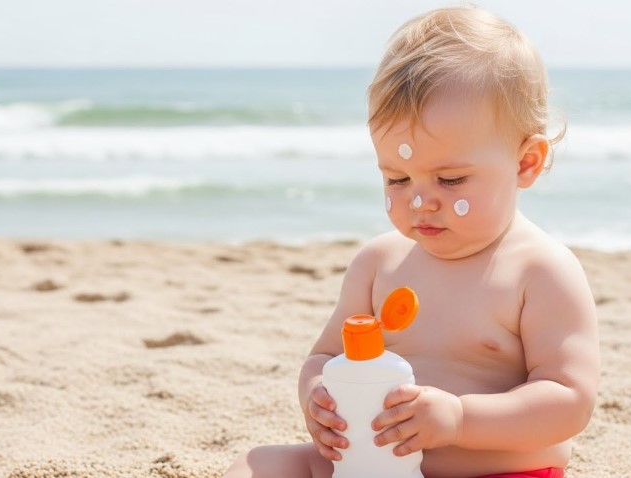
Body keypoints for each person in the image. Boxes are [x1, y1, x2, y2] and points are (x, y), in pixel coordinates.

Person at [224, 6, 599, 478]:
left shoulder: (539, 271)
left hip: (490, 471)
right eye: (397, 178)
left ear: (526, 163)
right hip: (367, 467)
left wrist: (460, 420)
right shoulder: (379, 263)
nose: (421, 201)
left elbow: (569, 401)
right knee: (258, 464)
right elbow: (323, 356)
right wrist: (317, 395)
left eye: (450, 179)